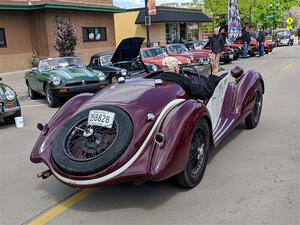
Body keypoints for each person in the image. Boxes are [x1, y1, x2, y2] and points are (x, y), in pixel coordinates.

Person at [151, 56, 222, 100]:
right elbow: (206, 93)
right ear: (176, 68)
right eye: (178, 66)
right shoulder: (184, 81)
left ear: (164, 68)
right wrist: (214, 72)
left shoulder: (153, 79)